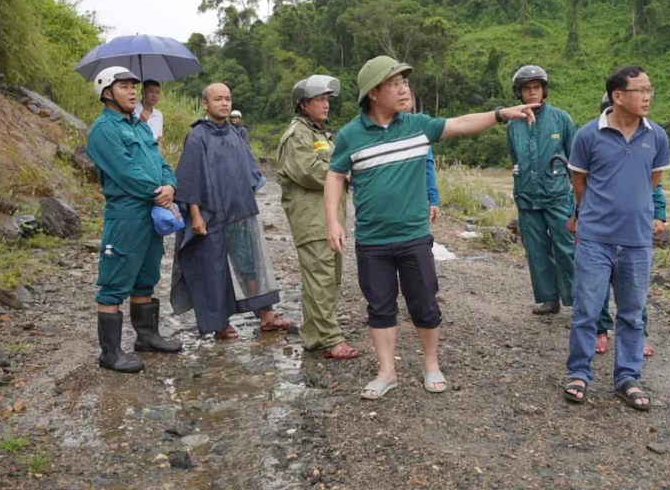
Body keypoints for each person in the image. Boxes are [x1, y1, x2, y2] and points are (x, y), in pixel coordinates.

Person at [324, 55, 536, 400]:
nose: (404, 89)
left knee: (424, 303)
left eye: (404, 83)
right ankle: (386, 371)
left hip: (413, 237)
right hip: (372, 240)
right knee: (379, 307)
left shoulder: (417, 125)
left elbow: (460, 124)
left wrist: (500, 114)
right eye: (394, 84)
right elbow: (335, 175)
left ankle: (431, 364)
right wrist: (333, 221)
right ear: (373, 93)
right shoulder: (350, 135)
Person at [564, 66, 670, 411]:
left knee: (632, 315)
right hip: (595, 239)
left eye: (650, 90)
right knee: (586, 310)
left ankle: (627, 378)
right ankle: (579, 373)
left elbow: (652, 180)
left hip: (637, 241)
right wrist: (594, 214)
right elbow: (579, 183)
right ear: (618, 96)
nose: (648, 96)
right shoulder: (587, 135)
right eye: (641, 90)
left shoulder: (657, 136)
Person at [170, 83, 294, 340]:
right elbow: (191, 179)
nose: (224, 103)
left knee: (251, 264)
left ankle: (266, 316)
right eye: (218, 99)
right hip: (210, 214)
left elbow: (248, 171)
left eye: (227, 99)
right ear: (205, 104)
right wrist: (195, 216)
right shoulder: (197, 137)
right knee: (214, 268)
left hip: (239, 212)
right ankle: (220, 323)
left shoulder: (235, 134)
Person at [86, 67, 182, 374]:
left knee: (146, 276)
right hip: (126, 214)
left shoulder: (140, 127)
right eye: (124, 86)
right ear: (107, 93)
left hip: (150, 213)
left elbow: (162, 163)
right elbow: (125, 172)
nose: (132, 92)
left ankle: (147, 336)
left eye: (132, 87)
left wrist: (170, 186)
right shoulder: (103, 130)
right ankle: (110, 353)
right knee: (114, 281)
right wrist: (159, 193)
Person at [277, 75, 360, 360]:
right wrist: (340, 173)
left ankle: (313, 336)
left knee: (327, 279)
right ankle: (331, 339)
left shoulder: (319, 133)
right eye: (319, 99)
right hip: (311, 221)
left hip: (327, 219)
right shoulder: (297, 134)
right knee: (322, 279)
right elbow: (308, 171)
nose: (326, 104)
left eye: (327, 99)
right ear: (303, 104)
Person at [594, 92, 667, 358]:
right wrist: (575, 216)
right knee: (598, 289)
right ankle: (600, 331)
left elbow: (654, 187)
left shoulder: (646, 143)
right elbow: (579, 186)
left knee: (635, 291)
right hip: (600, 230)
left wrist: (659, 215)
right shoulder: (595, 142)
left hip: (634, 231)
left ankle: (638, 336)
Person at [506, 65, 576, 315]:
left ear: (544, 90)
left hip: (557, 195)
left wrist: (578, 198)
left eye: (537, 87)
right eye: (527, 89)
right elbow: (515, 159)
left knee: (566, 248)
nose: (532, 92)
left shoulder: (561, 118)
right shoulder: (513, 124)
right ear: (519, 93)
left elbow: (575, 160)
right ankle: (549, 299)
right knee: (536, 250)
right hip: (526, 197)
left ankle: (577, 300)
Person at [403, 83, 440, 223]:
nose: (403, 104)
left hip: (415, 204)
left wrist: (433, 200)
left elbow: (428, 168)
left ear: (412, 103)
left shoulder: (419, 130)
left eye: (407, 99)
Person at [133, 80, 164, 152]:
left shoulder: (158, 115)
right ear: (142, 92)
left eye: (157, 92)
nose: (154, 95)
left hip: (152, 154)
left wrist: (158, 157)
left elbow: (158, 140)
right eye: (151, 91)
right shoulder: (132, 111)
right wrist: (140, 121)